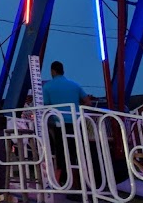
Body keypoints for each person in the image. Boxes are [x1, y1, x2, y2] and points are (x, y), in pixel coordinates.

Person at [42, 60, 92, 195]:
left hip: (59, 124)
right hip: (76, 123)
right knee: (76, 153)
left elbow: (44, 106)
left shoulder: (47, 87)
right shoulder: (74, 85)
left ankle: (57, 183)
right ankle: (77, 183)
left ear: (53, 71)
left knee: (60, 153)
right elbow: (88, 101)